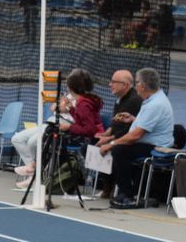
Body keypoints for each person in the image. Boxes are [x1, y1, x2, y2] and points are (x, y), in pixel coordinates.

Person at [13, 68, 103, 189]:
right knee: (21, 138)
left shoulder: (84, 103)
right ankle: (35, 169)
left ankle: (36, 171)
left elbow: (89, 129)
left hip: (81, 137)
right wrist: (71, 108)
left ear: (72, 86)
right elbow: (79, 118)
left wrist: (69, 126)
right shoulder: (81, 101)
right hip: (66, 127)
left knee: (40, 140)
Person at [100, 67, 174, 209]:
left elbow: (135, 136)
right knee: (120, 149)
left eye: (137, 82)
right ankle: (119, 189)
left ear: (143, 85)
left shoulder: (155, 104)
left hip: (156, 147)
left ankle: (127, 194)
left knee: (119, 151)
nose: (136, 86)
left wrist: (111, 143)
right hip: (150, 143)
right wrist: (133, 119)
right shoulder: (153, 100)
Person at [94, 70, 142, 198]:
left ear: (125, 85)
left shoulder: (134, 101)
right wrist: (105, 133)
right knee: (90, 145)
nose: (110, 84)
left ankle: (118, 187)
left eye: (114, 82)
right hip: (116, 136)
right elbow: (116, 122)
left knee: (116, 150)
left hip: (128, 139)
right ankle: (107, 183)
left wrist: (110, 139)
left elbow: (130, 130)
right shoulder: (119, 99)